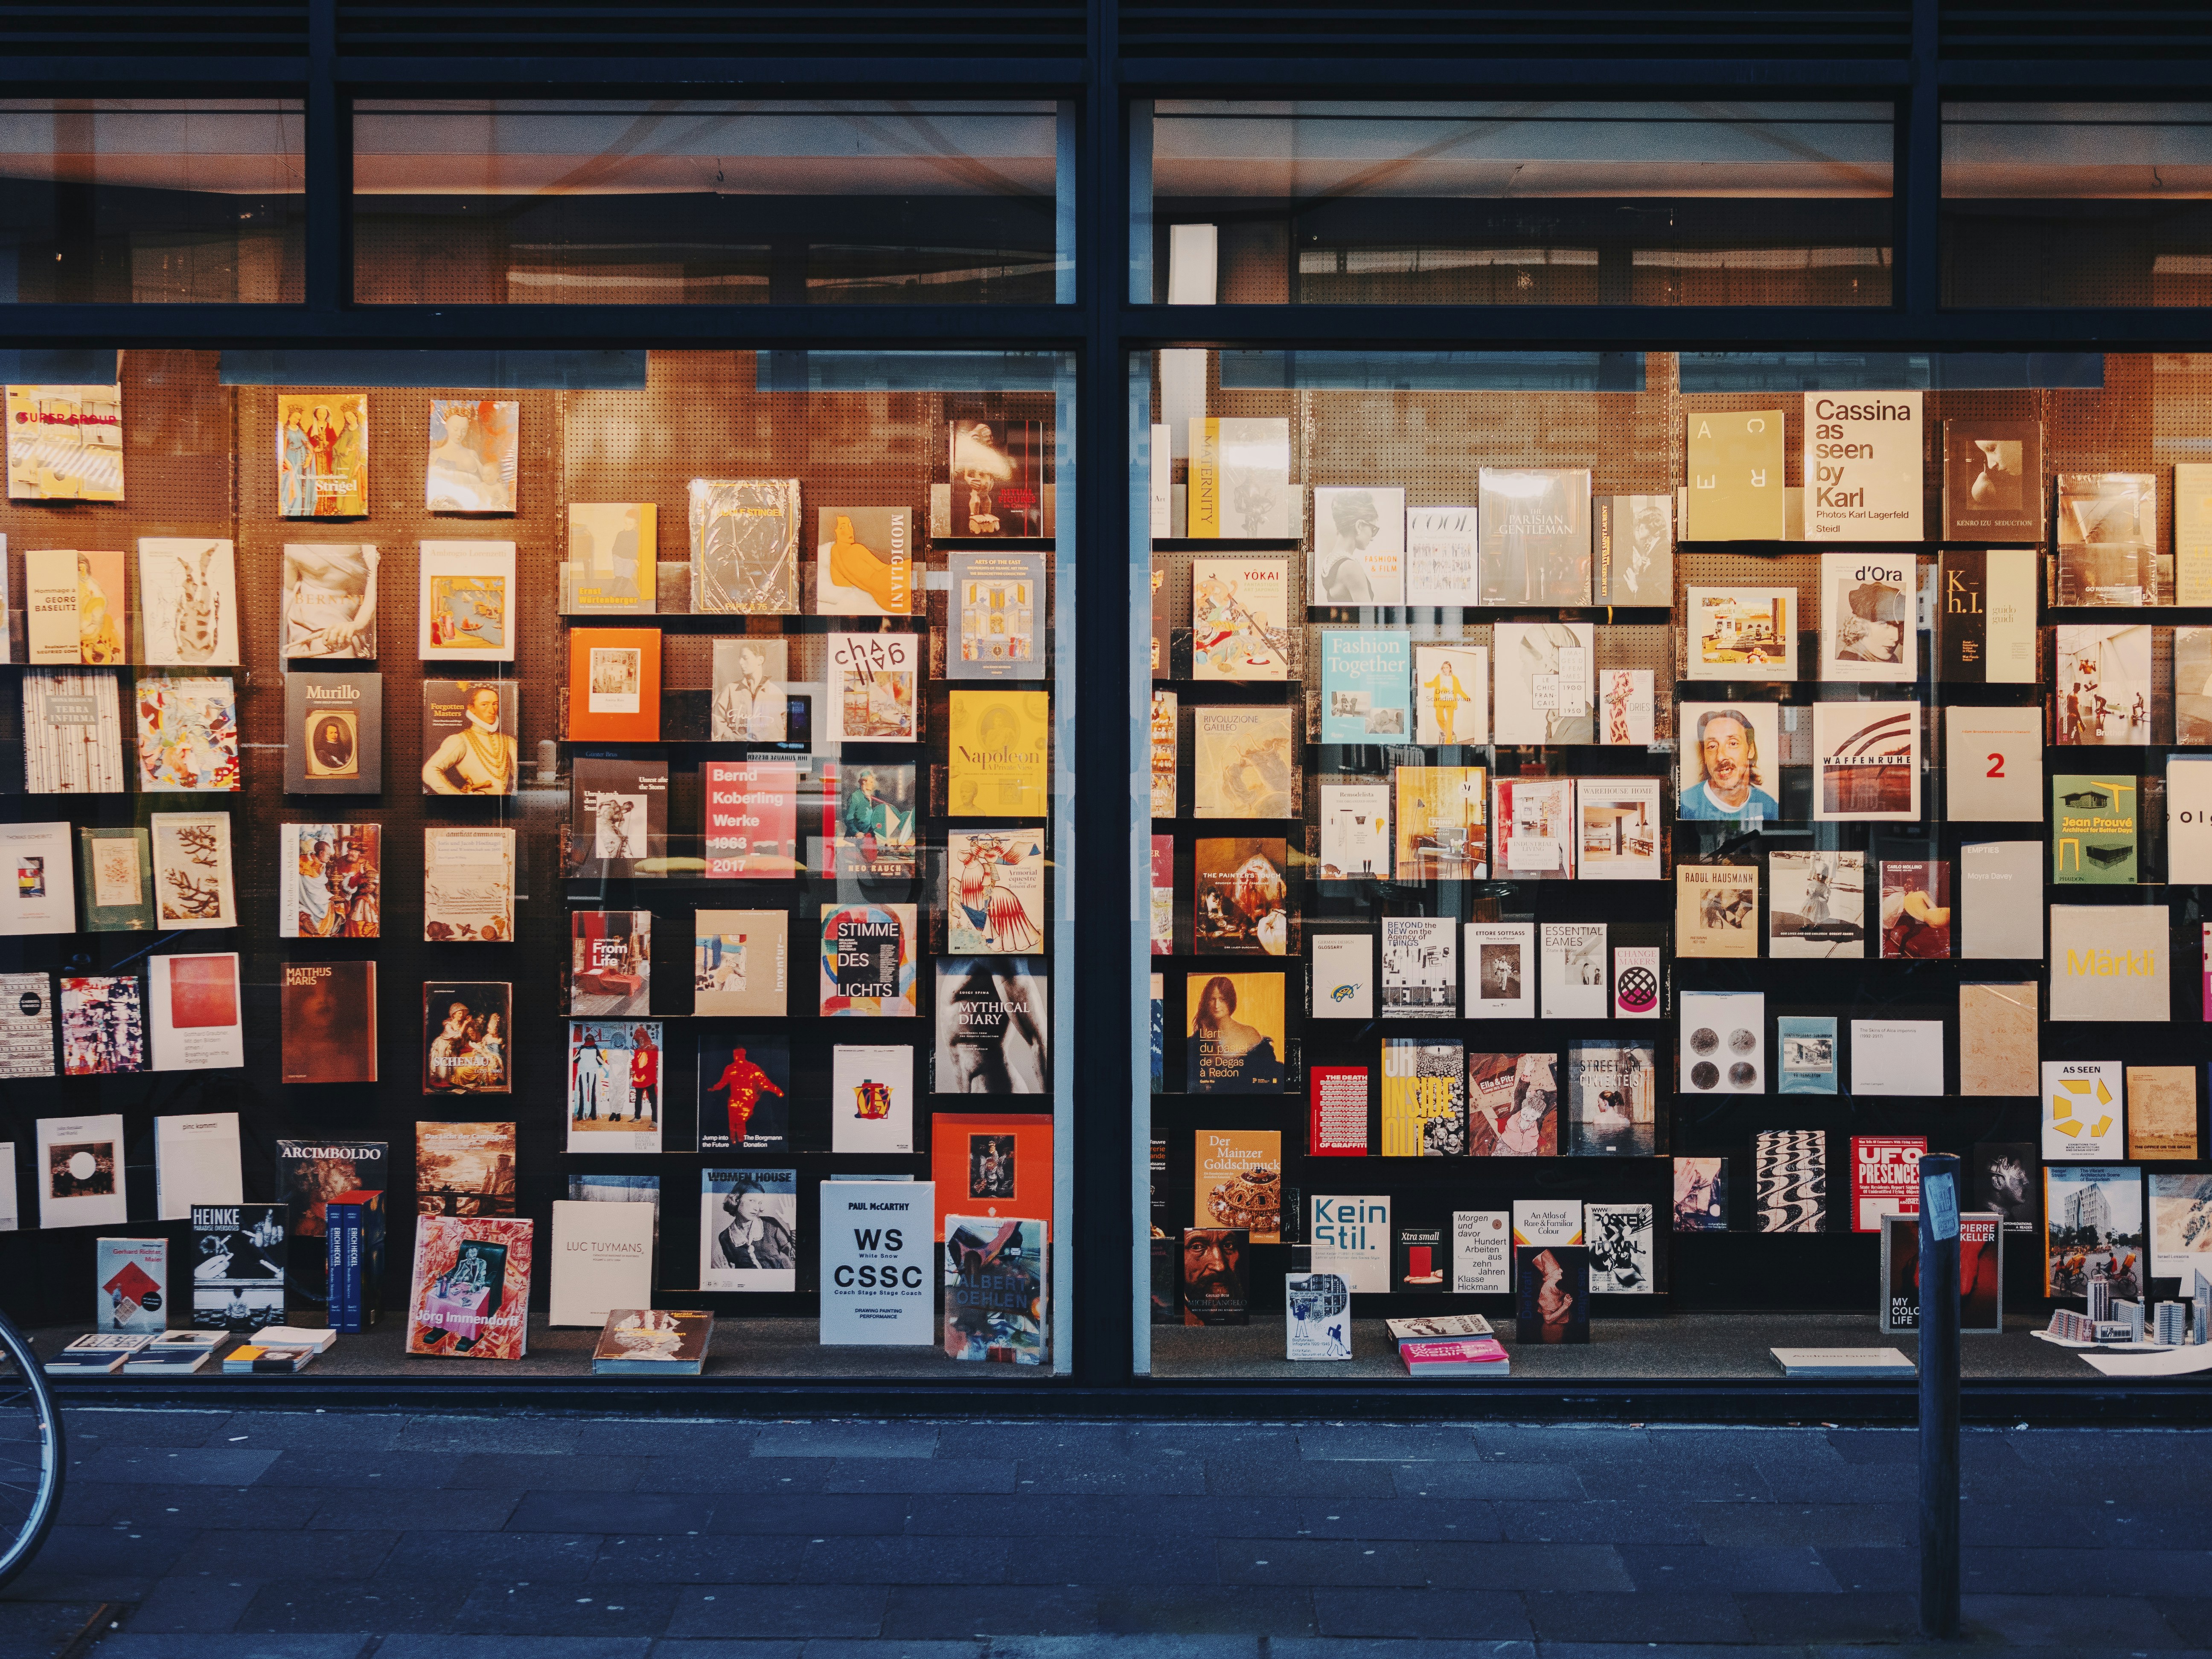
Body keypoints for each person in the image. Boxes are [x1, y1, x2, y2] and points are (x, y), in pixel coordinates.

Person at [1678, 707, 1779, 821]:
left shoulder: (1770, 808)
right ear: (1705, 756)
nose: (1721, 757)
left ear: (1750, 750)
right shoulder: (1684, 806)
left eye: (1733, 743)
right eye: (1712, 746)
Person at [1188, 974, 1282, 1091]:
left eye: (1222, 999)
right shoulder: (1198, 1039)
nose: (1217, 1005)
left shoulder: (1249, 1034)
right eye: (1213, 999)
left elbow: (1268, 1076)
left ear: (1230, 1001)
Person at [422, 683, 517, 794]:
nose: (492, 710)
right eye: (485, 705)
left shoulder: (509, 742)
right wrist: (459, 796)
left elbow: (521, 778)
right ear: (472, 708)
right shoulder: (461, 740)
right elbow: (430, 771)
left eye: (495, 704)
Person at [705, 1045, 782, 1146]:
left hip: (746, 1099)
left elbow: (764, 1082)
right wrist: (714, 1088)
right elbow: (722, 1083)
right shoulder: (730, 1068)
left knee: (740, 1121)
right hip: (735, 1100)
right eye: (735, 1054)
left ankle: (741, 1141)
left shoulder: (752, 1067)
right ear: (734, 1055)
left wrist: (778, 1091)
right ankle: (734, 1141)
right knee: (733, 1121)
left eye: (739, 1054)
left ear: (743, 1054)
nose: (737, 1056)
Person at [711, 1186, 795, 1272]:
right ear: (737, 1200)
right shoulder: (725, 1237)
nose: (757, 1208)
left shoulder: (770, 1224)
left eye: (760, 1203)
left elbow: (794, 1255)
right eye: (752, 1201)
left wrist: (792, 1224)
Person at [628, 1027, 659, 1124]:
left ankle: (655, 1120)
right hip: (639, 1078)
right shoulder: (638, 1050)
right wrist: (637, 1071)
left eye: (639, 1040)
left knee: (653, 1099)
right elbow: (635, 1063)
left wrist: (642, 1072)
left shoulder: (653, 1048)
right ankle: (637, 1117)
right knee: (638, 1099)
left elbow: (652, 1063)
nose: (638, 1042)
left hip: (649, 1078)